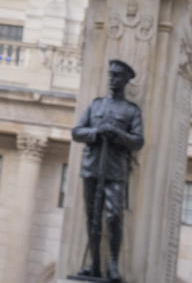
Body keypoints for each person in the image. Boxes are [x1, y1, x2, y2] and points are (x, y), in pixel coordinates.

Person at [71, 59, 144, 281]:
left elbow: (138, 141)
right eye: (110, 75)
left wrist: (117, 134)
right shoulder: (95, 105)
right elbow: (76, 132)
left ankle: (112, 263)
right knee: (92, 217)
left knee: (113, 216)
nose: (112, 79)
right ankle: (93, 263)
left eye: (117, 76)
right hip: (92, 166)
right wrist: (96, 132)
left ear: (125, 81)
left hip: (114, 170)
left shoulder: (131, 111)